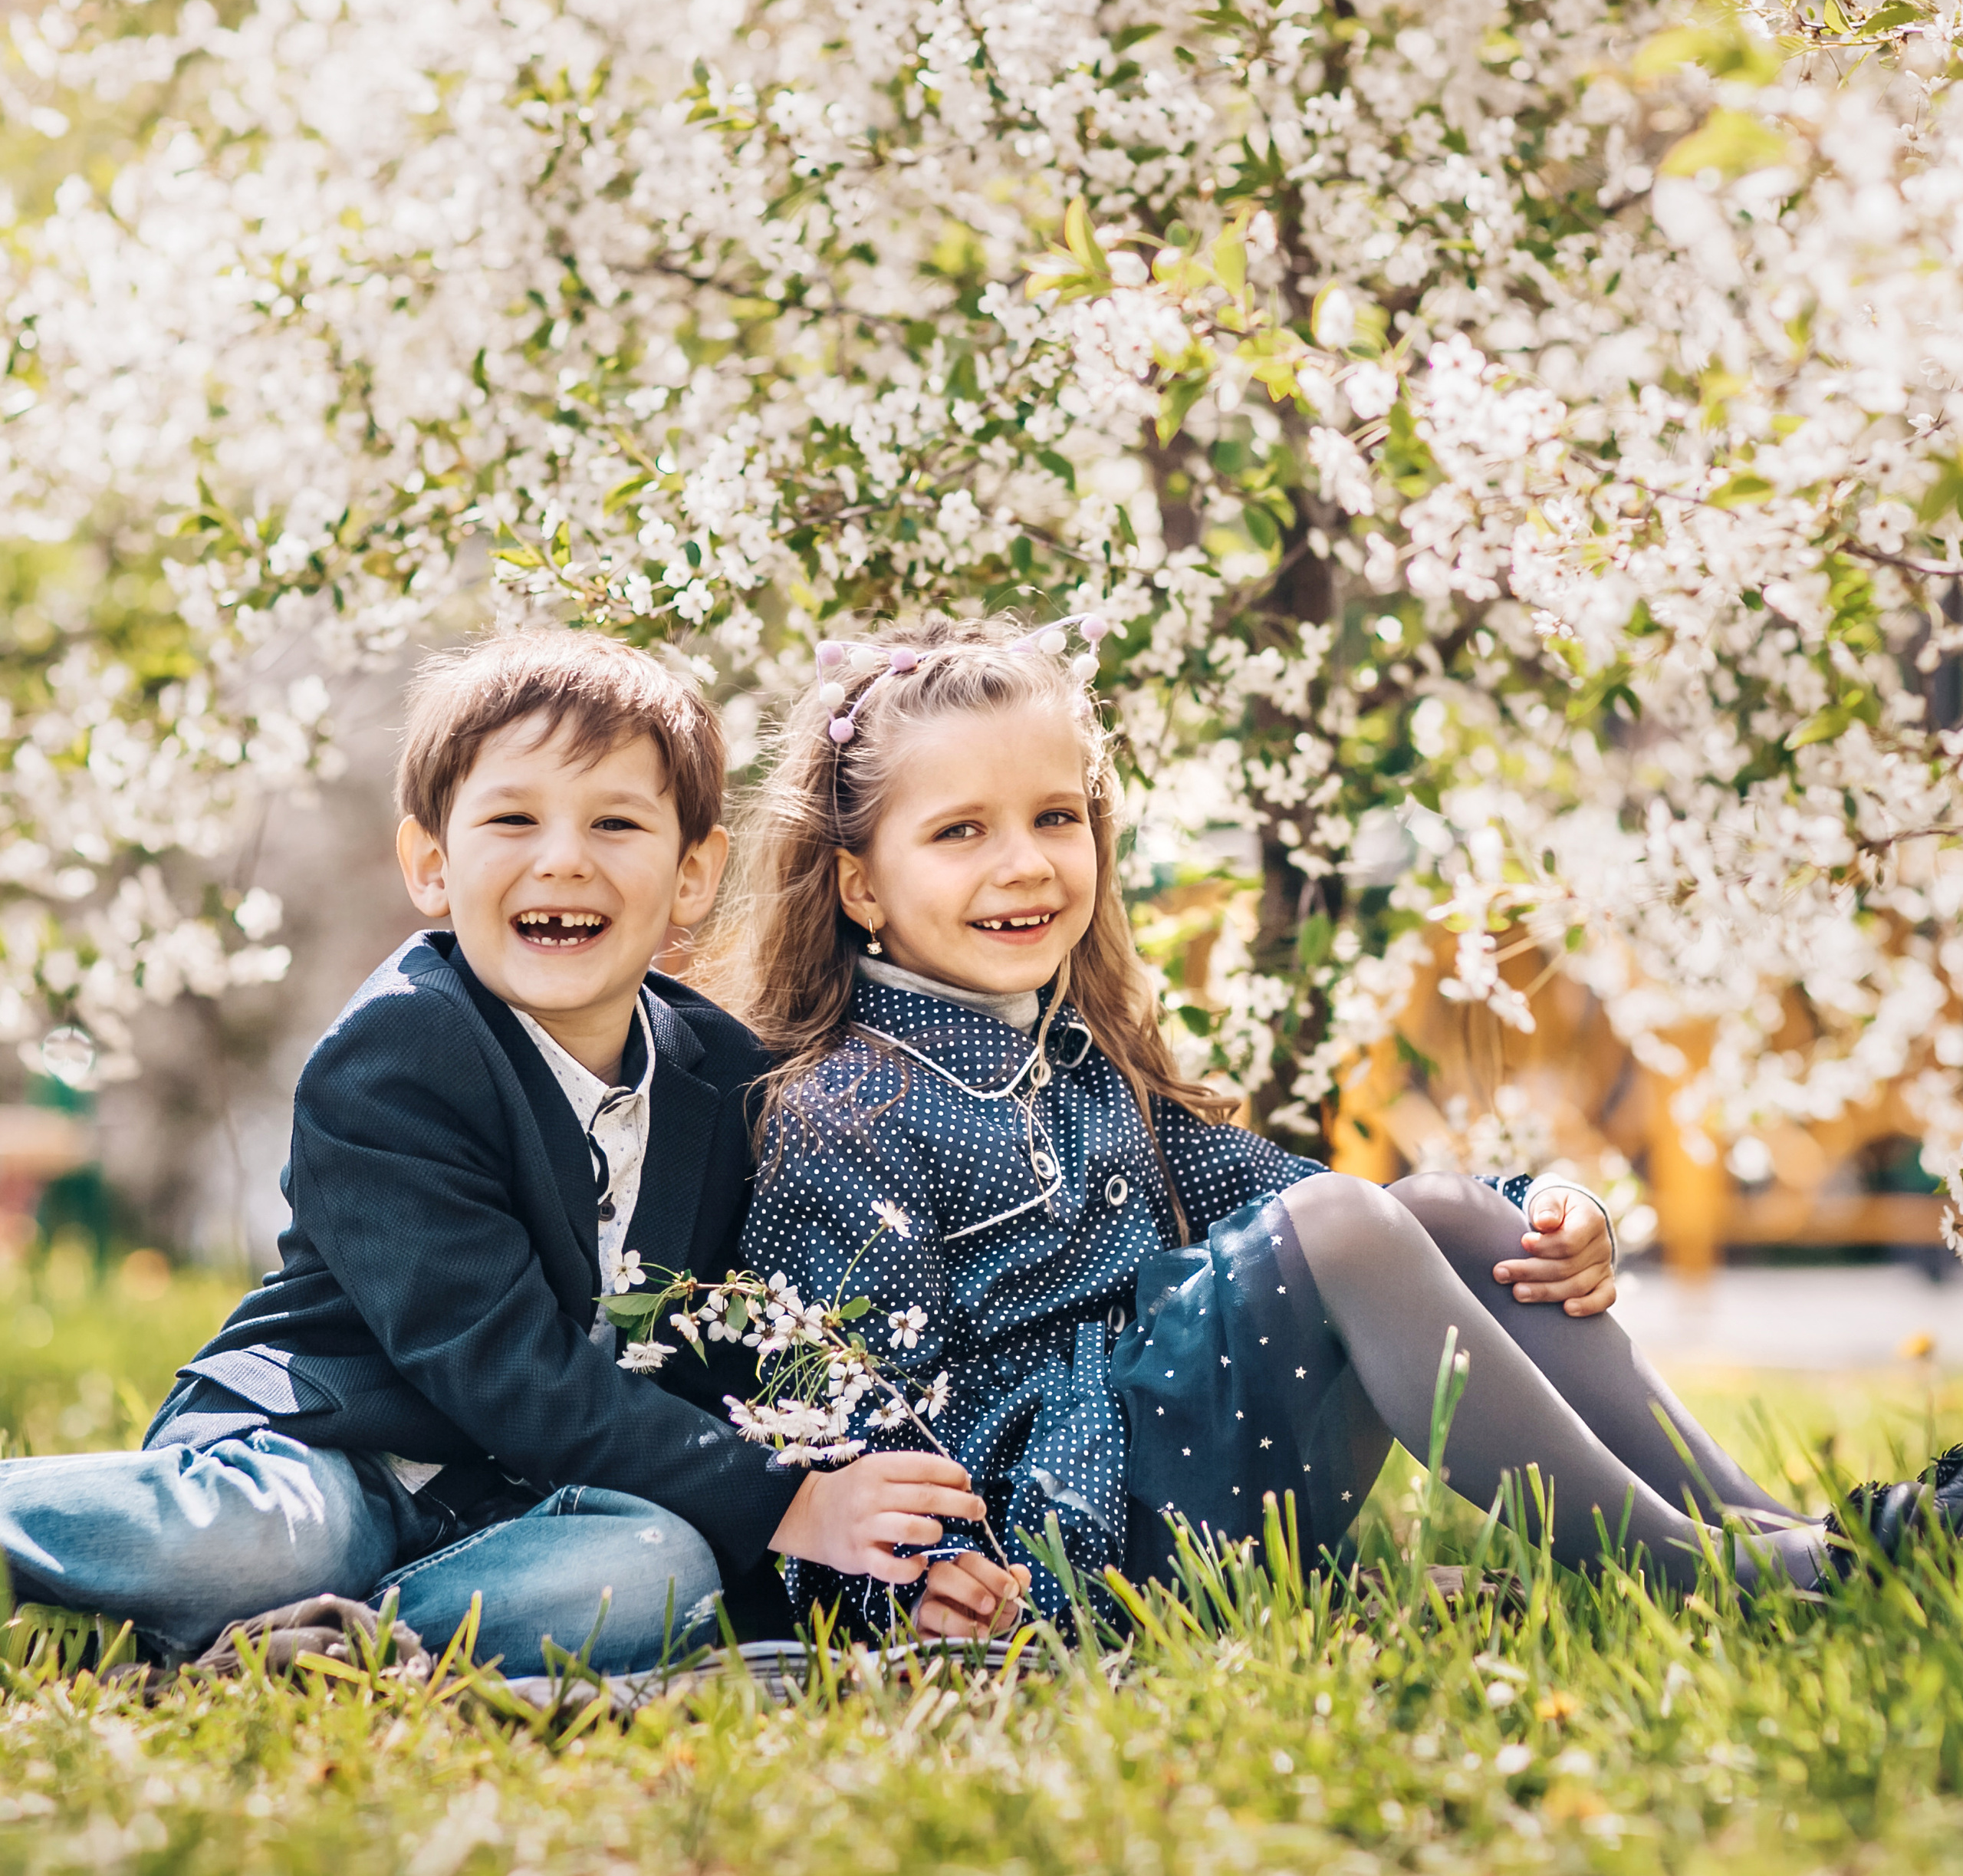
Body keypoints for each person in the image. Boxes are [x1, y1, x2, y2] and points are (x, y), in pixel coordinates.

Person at [725, 614, 1960, 1643]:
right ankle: (1726, 1578)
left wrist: (1542, 1210)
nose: (1028, 863)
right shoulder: (846, 1111)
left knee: (1437, 1209)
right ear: (861, 883)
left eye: (1056, 818)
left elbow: (1317, 1205)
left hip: (1188, 1468)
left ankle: (1800, 1535)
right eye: (961, 832)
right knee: (1344, 1226)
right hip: (1065, 1539)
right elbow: (837, 1411)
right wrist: (913, 1584)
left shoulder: (1081, 1056)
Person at [0, 632, 975, 1674]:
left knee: (660, 1567)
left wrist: (890, 1563)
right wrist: (783, 1504)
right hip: (325, 1450)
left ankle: (314, 1643)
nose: (563, 859)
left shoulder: (725, 1077)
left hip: (508, 1514)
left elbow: (723, 1361)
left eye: (615, 822)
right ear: (432, 862)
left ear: (693, 872)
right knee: (276, 1542)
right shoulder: (398, 1054)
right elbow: (500, 1364)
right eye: (513, 819)